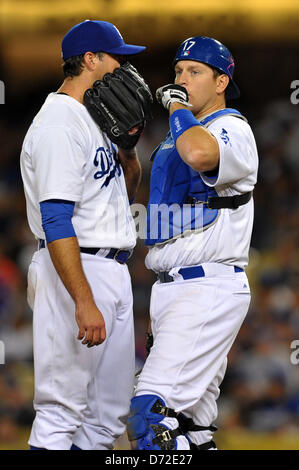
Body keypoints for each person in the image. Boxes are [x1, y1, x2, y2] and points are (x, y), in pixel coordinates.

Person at [20, 20, 148, 450]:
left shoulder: (94, 119)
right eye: (117, 57)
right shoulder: (58, 124)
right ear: (90, 59)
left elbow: (118, 199)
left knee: (108, 418)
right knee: (61, 411)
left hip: (110, 265)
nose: (123, 68)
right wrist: (83, 299)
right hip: (75, 266)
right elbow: (56, 218)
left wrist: (128, 150)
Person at [128, 36, 259, 450]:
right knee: (192, 428)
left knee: (148, 418)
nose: (182, 80)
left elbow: (201, 155)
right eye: (178, 71)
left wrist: (176, 106)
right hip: (174, 288)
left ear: (222, 81)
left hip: (206, 287)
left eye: (194, 71)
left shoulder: (231, 127)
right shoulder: (176, 135)